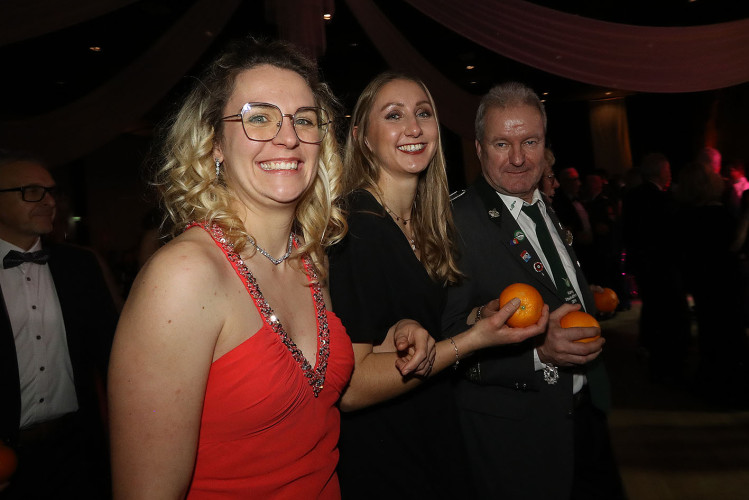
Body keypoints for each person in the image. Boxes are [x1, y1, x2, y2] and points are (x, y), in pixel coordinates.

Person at [108, 38, 356, 499]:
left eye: (304, 120)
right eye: (258, 117)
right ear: (215, 144)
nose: (288, 137)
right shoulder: (183, 277)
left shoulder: (308, 257)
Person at [328, 73, 548, 500]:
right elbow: (351, 388)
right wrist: (473, 339)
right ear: (363, 139)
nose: (413, 128)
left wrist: (476, 317)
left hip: (431, 429)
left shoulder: (428, 224)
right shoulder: (356, 226)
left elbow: (415, 328)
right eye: (394, 115)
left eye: (423, 113)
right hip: (386, 452)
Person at [442, 82, 625, 499]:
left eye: (530, 141)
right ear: (478, 147)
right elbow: (444, 337)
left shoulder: (545, 206)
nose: (520, 158)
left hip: (585, 414)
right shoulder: (454, 223)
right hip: (516, 436)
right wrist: (537, 353)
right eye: (502, 144)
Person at [0, 152, 118, 499]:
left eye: (52, 191)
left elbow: (111, 353)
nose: (49, 201)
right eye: (32, 191)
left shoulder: (79, 265)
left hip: (76, 450)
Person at [622, 153, 691, 383]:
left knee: (653, 307)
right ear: (659, 172)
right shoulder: (663, 200)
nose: (670, 173)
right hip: (662, 265)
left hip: (644, 265)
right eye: (668, 169)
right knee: (667, 311)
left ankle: (650, 349)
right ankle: (666, 361)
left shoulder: (633, 196)